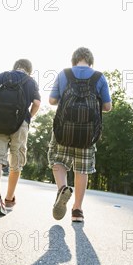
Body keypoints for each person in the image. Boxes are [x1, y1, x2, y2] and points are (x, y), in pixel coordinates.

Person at [48, 47, 112, 222]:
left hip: (64, 129)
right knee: (82, 169)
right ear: (90, 60)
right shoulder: (99, 77)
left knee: (58, 161)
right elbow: (107, 107)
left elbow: (52, 100)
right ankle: (77, 211)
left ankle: (62, 189)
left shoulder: (64, 74)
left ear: (74, 59)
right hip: (88, 133)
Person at [0, 59, 41, 216]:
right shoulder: (31, 81)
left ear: (15, 67)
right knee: (16, 159)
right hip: (20, 124)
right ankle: (9, 199)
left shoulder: (3, 76)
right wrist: (28, 117)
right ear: (29, 70)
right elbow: (37, 102)